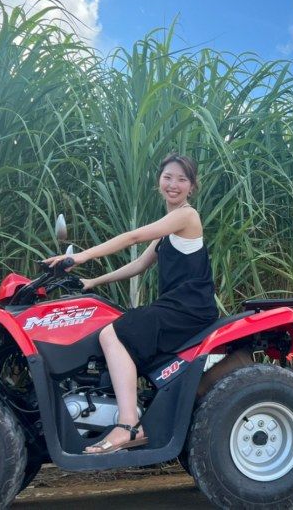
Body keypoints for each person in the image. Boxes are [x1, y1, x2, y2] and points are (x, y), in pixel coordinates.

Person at [45, 153, 218, 453]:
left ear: (192, 187)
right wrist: (91, 283)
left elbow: (133, 237)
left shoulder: (187, 216)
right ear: (158, 182)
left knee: (111, 334)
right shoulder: (167, 231)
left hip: (189, 309)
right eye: (168, 177)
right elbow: (138, 265)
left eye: (181, 179)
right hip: (179, 306)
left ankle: (127, 425)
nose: (173, 184)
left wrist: (82, 256)